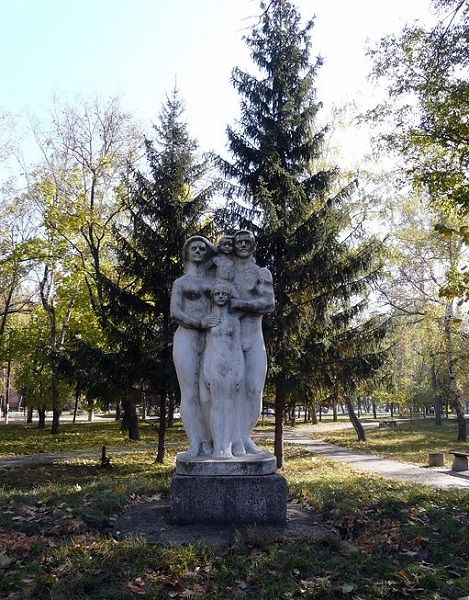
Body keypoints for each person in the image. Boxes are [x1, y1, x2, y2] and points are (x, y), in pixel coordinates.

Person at [230, 230, 275, 455]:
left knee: (254, 388)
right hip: (231, 338)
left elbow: (268, 303)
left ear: (253, 246)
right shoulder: (225, 272)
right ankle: (235, 438)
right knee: (234, 389)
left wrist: (240, 304)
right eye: (239, 242)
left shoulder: (261, 273)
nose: (243, 245)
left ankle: (245, 435)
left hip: (254, 337)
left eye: (248, 241)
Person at [170, 236, 215, 457]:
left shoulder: (215, 280)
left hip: (211, 339)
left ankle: (211, 441)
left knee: (208, 393)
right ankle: (195, 443)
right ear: (187, 253)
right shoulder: (180, 283)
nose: (198, 251)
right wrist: (198, 323)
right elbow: (175, 312)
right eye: (194, 248)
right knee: (189, 393)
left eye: (202, 248)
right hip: (187, 337)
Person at [199, 282, 244, 459]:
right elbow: (207, 347)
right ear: (213, 296)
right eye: (217, 293)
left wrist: (240, 370)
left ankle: (228, 445)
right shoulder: (209, 320)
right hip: (214, 364)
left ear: (228, 296)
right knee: (217, 407)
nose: (220, 296)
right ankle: (219, 446)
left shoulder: (234, 321)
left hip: (231, 366)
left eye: (223, 293)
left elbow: (237, 348)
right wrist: (206, 369)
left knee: (230, 406)